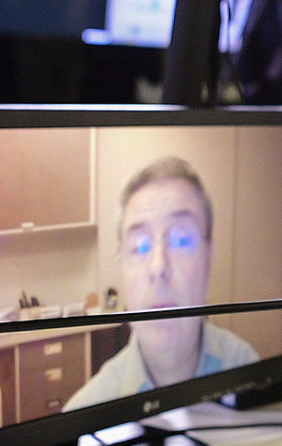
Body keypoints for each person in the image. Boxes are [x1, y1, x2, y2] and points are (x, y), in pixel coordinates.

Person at [67, 158, 258, 409]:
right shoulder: (87, 417)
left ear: (209, 256)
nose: (158, 267)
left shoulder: (249, 370)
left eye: (181, 240)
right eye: (139, 246)